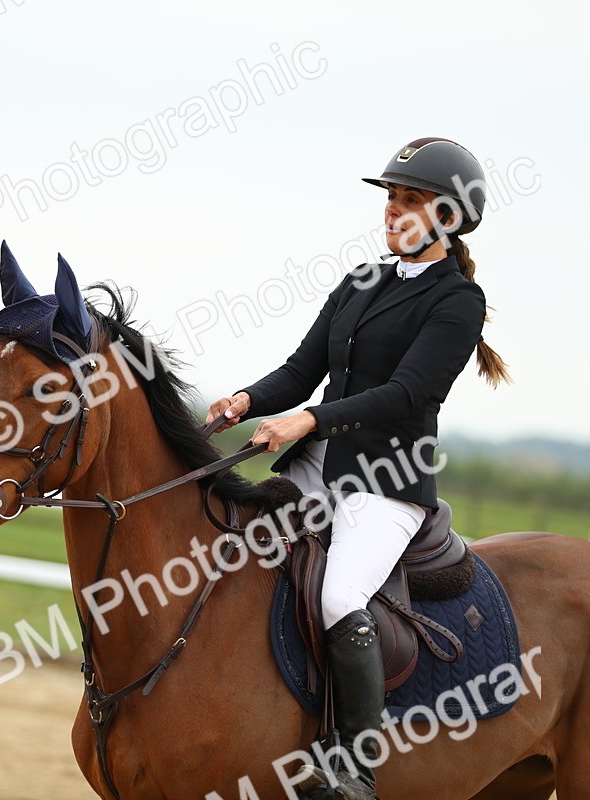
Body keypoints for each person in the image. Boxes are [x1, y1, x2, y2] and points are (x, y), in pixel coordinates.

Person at [207, 138, 510, 800]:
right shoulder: (362, 281)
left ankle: (355, 765)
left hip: (387, 482)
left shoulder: (458, 302)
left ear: (450, 217)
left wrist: (310, 420)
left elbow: (407, 395)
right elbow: (300, 369)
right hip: (319, 467)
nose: (393, 212)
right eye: (391, 200)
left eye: (411, 201)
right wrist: (246, 401)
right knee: (235, 553)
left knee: (341, 595)